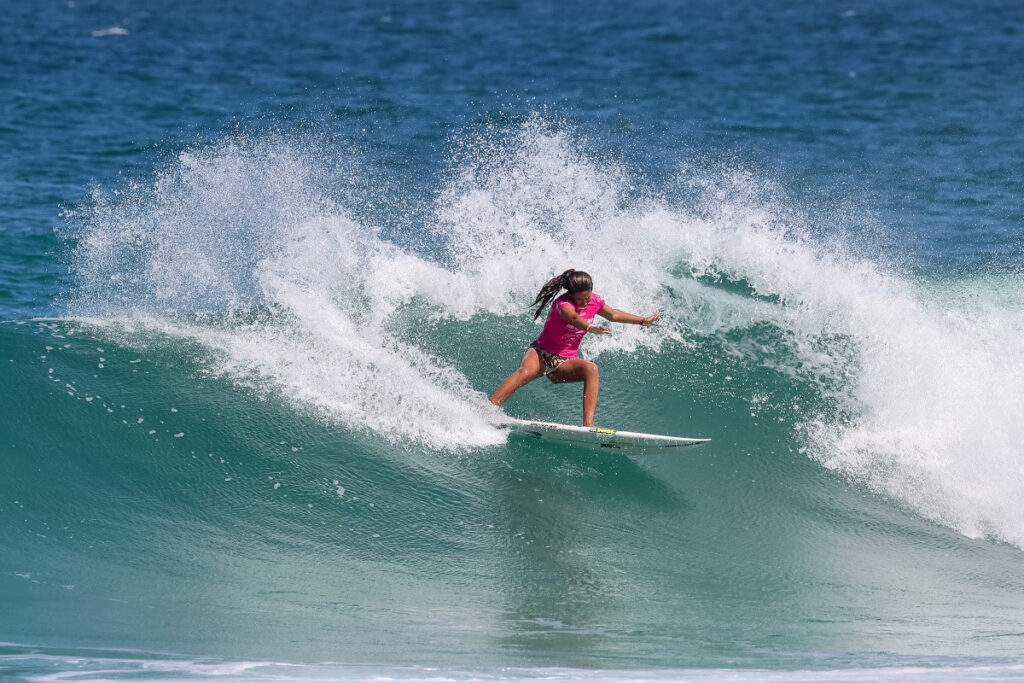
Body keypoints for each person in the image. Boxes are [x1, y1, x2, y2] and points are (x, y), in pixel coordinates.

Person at [489, 269, 661, 427]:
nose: (585, 302)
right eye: (580, 299)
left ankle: (588, 425)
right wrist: (589, 327)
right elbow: (572, 317)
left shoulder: (595, 301)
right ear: (570, 295)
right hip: (541, 352)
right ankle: (489, 410)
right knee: (525, 373)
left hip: (564, 362)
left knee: (591, 369)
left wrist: (642, 321)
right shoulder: (562, 304)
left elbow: (614, 314)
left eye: (587, 297)